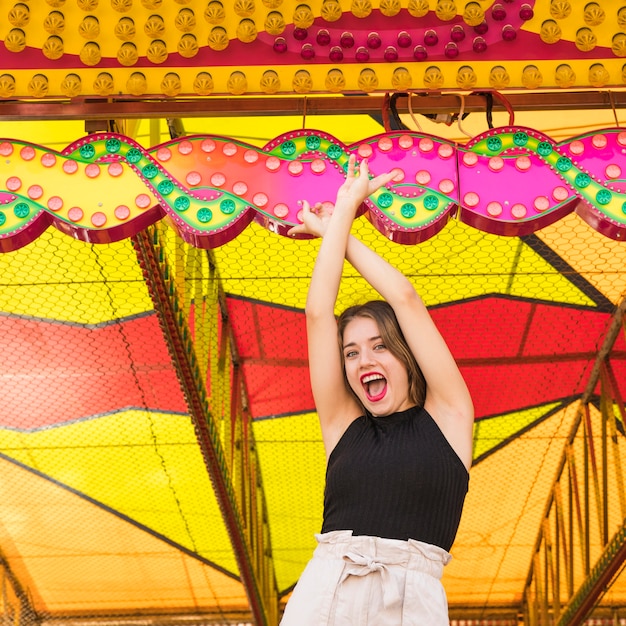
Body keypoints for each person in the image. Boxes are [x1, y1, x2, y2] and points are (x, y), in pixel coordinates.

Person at [281, 154, 474, 625]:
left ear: (407, 354)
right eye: (350, 353)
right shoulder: (342, 424)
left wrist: (337, 227)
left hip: (411, 597)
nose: (363, 360)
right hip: (328, 585)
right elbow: (317, 314)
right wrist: (341, 217)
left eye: (379, 347)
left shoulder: (449, 414)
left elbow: (404, 298)